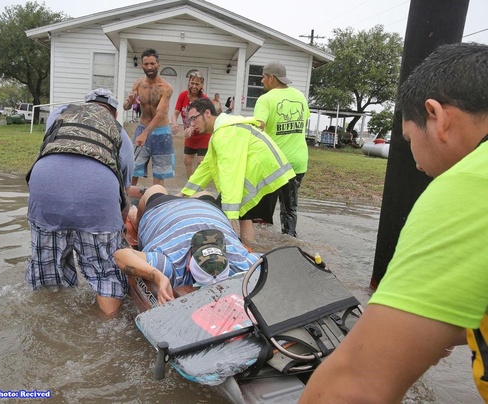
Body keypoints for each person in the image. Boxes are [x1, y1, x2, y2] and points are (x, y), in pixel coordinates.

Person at [299, 42, 488, 403]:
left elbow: (353, 388)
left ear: (437, 116)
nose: (416, 162)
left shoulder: (470, 184)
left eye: (408, 140)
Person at [26, 88, 134, 317]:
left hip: (45, 188)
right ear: (114, 114)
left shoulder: (60, 114)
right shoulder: (120, 133)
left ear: (85, 105)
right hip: (98, 194)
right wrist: (119, 234)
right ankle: (107, 325)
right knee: (106, 273)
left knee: (48, 272)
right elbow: (122, 195)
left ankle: (48, 321)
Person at [114, 185, 259, 305]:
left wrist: (159, 277)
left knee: (156, 189)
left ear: (189, 265)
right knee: (204, 193)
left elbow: (120, 255)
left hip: (166, 207)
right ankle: (137, 221)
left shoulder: (171, 266)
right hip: (203, 209)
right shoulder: (240, 261)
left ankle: (137, 220)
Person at [179, 98, 295, 246]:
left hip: (265, 176)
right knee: (243, 215)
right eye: (189, 120)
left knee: (234, 213)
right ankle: (249, 249)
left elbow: (230, 174)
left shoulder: (225, 134)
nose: (192, 124)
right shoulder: (222, 130)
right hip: (270, 175)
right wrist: (184, 193)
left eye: (194, 118)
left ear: (207, 113)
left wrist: (229, 214)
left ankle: (245, 251)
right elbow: (206, 166)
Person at [254, 61, 311, 238]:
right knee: (289, 208)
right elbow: (304, 121)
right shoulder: (300, 96)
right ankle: (290, 240)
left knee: (260, 211)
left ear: (271, 78)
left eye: (264, 76)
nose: (262, 80)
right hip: (298, 161)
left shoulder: (265, 99)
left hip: (274, 163)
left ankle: (262, 243)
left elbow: (258, 126)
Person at [123, 48, 174, 186]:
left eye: (152, 64)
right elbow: (125, 107)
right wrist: (130, 102)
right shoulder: (138, 84)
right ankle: (128, 202)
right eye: (146, 64)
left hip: (161, 132)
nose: (149, 67)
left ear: (158, 64)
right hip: (142, 128)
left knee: (159, 172)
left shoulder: (166, 88)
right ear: (142, 65)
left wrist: (145, 134)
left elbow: (160, 114)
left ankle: (156, 201)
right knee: (134, 167)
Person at [171, 71, 212, 178]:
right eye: (192, 83)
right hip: (190, 135)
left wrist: (192, 127)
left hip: (203, 135)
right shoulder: (183, 95)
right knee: (187, 160)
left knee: (200, 162)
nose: (194, 86)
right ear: (189, 82)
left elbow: (202, 119)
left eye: (197, 84)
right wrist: (174, 122)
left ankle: (198, 187)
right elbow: (175, 113)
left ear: (202, 85)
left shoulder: (204, 99)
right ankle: (190, 185)